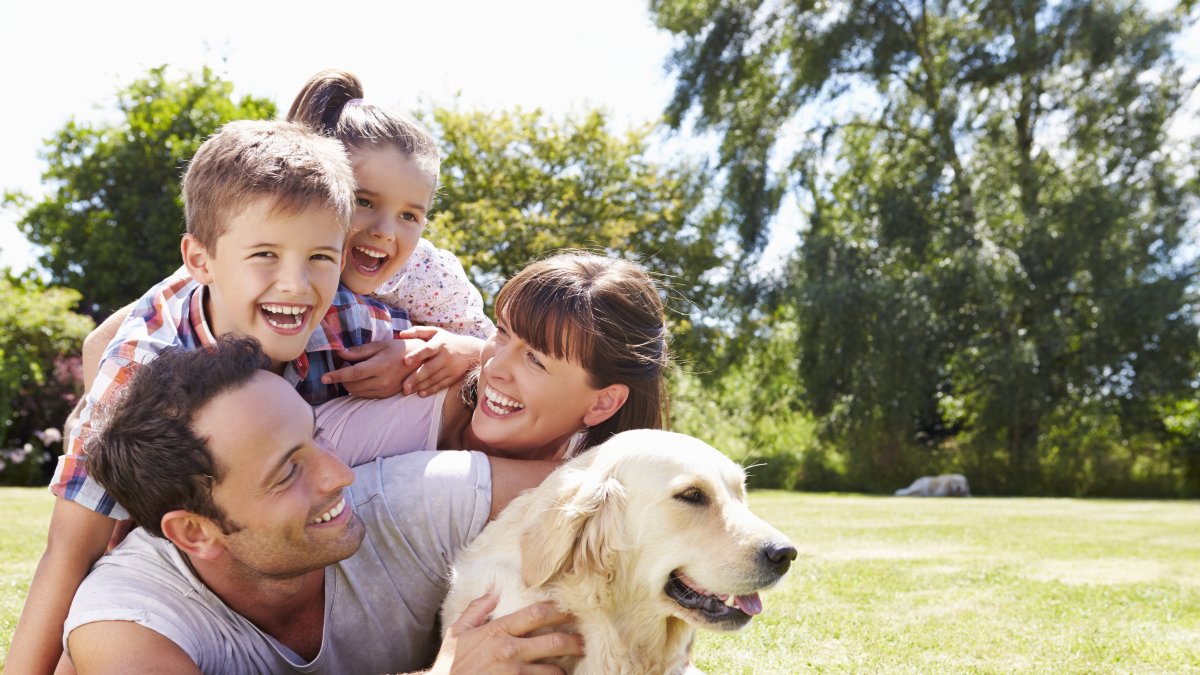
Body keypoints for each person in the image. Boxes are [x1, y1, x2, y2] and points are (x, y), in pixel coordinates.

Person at [7, 119, 415, 675]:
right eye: (266, 254)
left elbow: (494, 371)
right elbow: (70, 550)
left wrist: (458, 354)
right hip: (183, 554)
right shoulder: (141, 370)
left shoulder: (350, 320)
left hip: (285, 542)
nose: (297, 283)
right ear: (200, 261)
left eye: (320, 256)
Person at [62, 336, 581, 673]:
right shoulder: (126, 620)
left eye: (318, 438)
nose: (340, 475)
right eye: (288, 472)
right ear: (195, 532)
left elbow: (609, 490)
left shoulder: (404, 499)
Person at [317, 251, 671, 465]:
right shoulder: (416, 401)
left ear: (603, 403)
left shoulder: (605, 488)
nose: (494, 367)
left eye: (535, 359)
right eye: (502, 332)